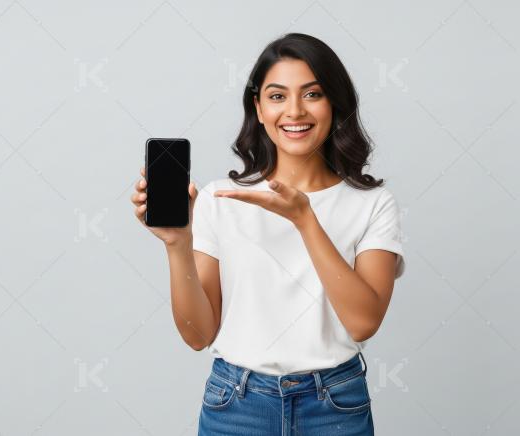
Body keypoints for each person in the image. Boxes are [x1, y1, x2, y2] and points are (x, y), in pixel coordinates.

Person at [131, 32, 405, 436]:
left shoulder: (373, 203)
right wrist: (178, 244)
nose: (294, 111)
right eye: (277, 96)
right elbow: (197, 335)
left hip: (334, 406)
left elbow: (363, 322)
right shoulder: (220, 199)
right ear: (258, 108)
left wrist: (305, 220)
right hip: (236, 404)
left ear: (335, 104)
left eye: (312, 94)